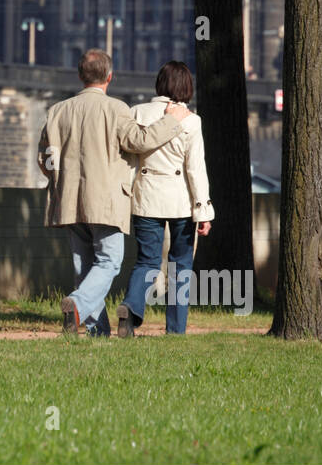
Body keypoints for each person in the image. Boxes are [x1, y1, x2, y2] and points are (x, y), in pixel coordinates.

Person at [37, 49, 191, 337]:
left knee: (84, 266)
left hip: (68, 200)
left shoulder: (57, 111)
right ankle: (78, 304)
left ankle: (97, 332)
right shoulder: (116, 109)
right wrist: (171, 120)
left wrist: (60, 179)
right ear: (109, 77)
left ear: (81, 75)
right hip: (106, 201)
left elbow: (45, 159)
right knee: (108, 262)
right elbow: (140, 141)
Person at [118, 61, 214, 336]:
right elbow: (195, 169)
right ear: (187, 87)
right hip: (180, 201)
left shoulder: (137, 111)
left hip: (145, 197)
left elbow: (129, 158)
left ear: (159, 84)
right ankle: (175, 329)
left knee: (146, 261)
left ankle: (131, 308)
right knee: (180, 265)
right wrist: (204, 211)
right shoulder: (192, 120)